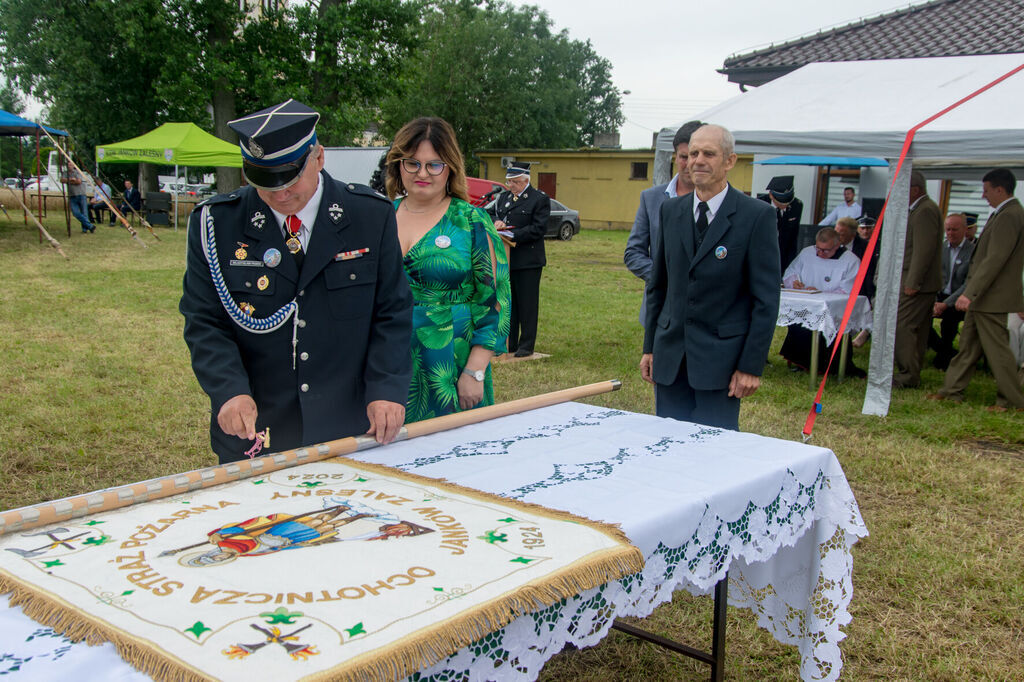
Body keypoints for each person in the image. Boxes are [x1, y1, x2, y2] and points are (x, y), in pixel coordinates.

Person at [179, 99, 413, 464]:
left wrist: (386, 389)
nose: (279, 194)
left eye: (289, 179)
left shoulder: (370, 215)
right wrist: (229, 391)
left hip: (349, 423)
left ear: (318, 157)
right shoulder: (217, 224)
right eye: (264, 182)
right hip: (259, 426)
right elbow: (204, 320)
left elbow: (392, 313)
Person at [640, 124, 780, 431]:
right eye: (693, 154)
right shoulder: (671, 211)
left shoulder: (756, 216)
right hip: (671, 357)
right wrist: (650, 347)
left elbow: (766, 300)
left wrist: (750, 366)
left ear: (730, 161)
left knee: (715, 454)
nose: (698, 161)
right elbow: (659, 287)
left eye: (709, 153)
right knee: (667, 444)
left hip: (721, 363)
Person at [384, 117, 510, 422]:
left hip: (452, 363)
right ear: (398, 166)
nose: (422, 173)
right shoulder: (379, 218)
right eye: (412, 163)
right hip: (388, 362)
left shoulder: (470, 221)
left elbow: (496, 301)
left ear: (450, 166)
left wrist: (475, 370)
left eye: (434, 165)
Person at [929, 169, 1024, 411]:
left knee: (997, 351)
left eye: (986, 190)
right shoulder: (1004, 213)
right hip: (985, 296)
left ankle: (1011, 400)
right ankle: (951, 390)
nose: (983, 196)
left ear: (1000, 189)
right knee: (968, 346)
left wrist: (969, 292)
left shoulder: (1010, 215)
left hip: (992, 296)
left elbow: (995, 259)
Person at [624, 120, 703, 325]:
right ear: (675, 157)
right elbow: (633, 253)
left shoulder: (722, 202)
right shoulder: (651, 199)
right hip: (662, 310)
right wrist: (664, 278)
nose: (690, 164)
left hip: (706, 311)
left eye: (695, 156)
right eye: (684, 157)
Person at [779, 228, 865, 376]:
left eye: (826, 251)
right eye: (818, 248)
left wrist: (822, 292)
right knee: (801, 327)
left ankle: (829, 366)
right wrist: (794, 282)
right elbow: (791, 271)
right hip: (805, 302)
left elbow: (848, 289)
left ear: (837, 246)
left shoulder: (850, 261)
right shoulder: (807, 253)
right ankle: (802, 362)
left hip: (831, 307)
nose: (820, 253)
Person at [489, 161, 550, 357]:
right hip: (507, 259)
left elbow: (539, 228)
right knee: (510, 303)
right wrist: (496, 223)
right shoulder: (504, 198)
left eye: (514, 182)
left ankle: (526, 345)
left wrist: (514, 235)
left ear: (525, 181)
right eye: (509, 181)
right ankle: (511, 342)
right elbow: (490, 213)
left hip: (529, 260)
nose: (510, 185)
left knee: (527, 304)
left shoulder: (538, 199)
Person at [892, 171, 943, 388]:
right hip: (919, 283)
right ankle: (911, 372)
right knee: (917, 330)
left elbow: (923, 250)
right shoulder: (922, 209)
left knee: (903, 327)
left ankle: (907, 375)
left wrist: (913, 282)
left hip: (915, 284)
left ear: (914, 190)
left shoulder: (924, 211)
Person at [927, 214, 975, 370]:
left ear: (964, 230)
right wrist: (934, 299)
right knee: (917, 316)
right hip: (938, 295)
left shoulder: (973, 251)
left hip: (959, 298)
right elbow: (931, 276)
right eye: (948, 229)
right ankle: (945, 351)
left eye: (955, 229)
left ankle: (945, 355)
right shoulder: (940, 249)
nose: (950, 233)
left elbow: (968, 283)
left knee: (949, 322)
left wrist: (946, 304)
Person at [766, 175, 803, 272]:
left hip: (784, 253)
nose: (785, 206)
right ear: (771, 195)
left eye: (787, 203)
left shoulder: (797, 205)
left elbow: (793, 235)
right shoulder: (760, 203)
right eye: (781, 203)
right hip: (764, 252)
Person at [63, 166, 95, 233]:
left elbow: (79, 181)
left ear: (72, 164)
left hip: (81, 194)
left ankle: (85, 229)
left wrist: (68, 181)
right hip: (72, 195)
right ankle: (90, 226)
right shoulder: (65, 173)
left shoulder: (77, 172)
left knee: (84, 212)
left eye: (70, 163)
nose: (69, 164)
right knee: (75, 213)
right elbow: (62, 180)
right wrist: (72, 180)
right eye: (68, 163)